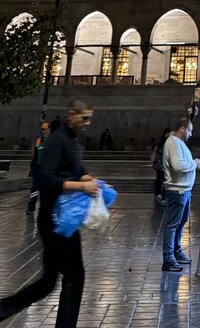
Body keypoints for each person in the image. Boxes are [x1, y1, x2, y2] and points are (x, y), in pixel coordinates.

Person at [0, 99, 99, 327]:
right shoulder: (57, 139)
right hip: (54, 219)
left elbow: (76, 170)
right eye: (84, 117)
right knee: (72, 276)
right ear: (71, 114)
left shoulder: (72, 139)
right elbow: (46, 178)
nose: (87, 123)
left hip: (64, 219)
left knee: (50, 281)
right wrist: (81, 186)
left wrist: (90, 180)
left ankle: (4, 308)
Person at [162, 114, 200, 272]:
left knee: (181, 221)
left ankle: (176, 250)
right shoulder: (173, 143)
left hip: (184, 189)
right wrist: (194, 164)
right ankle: (168, 258)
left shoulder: (178, 143)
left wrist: (193, 163)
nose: (191, 134)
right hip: (177, 190)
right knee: (172, 224)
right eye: (190, 130)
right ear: (182, 129)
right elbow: (178, 166)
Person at [27, 121, 50, 214]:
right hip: (38, 167)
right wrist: (31, 167)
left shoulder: (53, 141)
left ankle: (46, 209)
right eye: (41, 129)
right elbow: (34, 154)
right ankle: (31, 208)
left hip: (48, 169)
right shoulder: (39, 140)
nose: (42, 131)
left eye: (44, 129)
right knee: (35, 188)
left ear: (49, 130)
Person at [152, 128, 171, 205]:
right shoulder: (163, 144)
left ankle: (161, 196)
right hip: (161, 166)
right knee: (161, 181)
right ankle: (160, 196)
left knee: (162, 181)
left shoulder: (165, 143)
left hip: (162, 166)